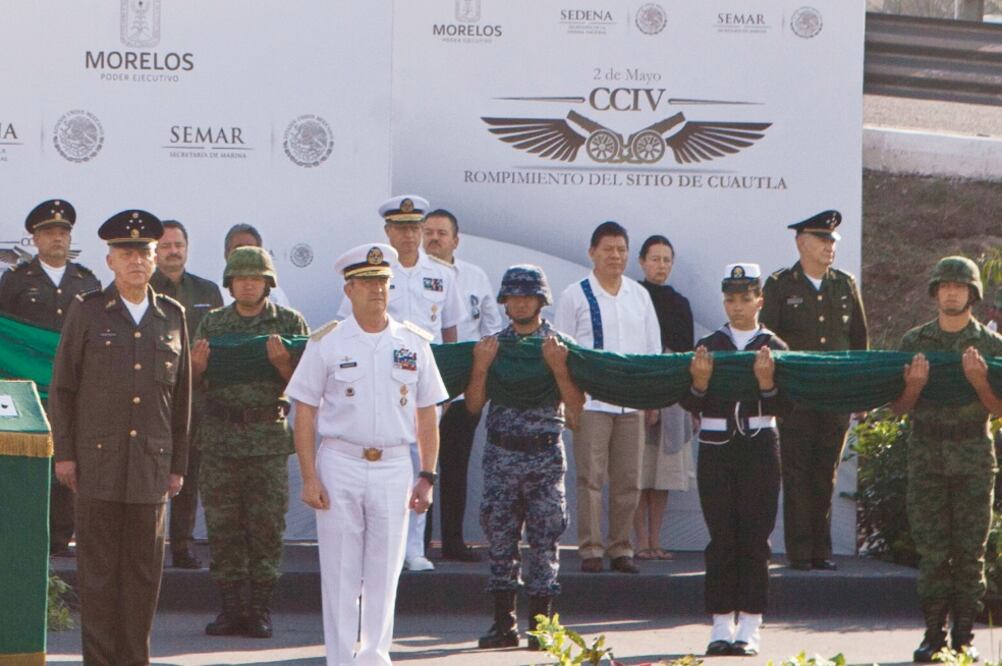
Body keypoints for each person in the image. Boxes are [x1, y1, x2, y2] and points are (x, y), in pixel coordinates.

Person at [287, 243, 448, 666]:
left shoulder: (413, 342)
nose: (377, 289)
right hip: (340, 462)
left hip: (394, 465)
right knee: (340, 572)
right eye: (367, 282)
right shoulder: (327, 341)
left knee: (385, 571)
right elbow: (304, 411)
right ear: (349, 289)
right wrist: (309, 476)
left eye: (383, 282)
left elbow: (427, 413)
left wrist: (427, 474)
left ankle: (375, 657)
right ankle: (342, 660)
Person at [49, 209, 190, 665]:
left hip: (151, 466)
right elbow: (63, 388)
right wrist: (65, 455)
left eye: (144, 253)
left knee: (143, 578)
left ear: (154, 259)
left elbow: (182, 398)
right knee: (98, 577)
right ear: (110, 260)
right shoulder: (87, 311)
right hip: (98, 464)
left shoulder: (172, 316)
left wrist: (177, 465)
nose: (136, 261)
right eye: (126, 253)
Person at [338, 195, 463, 572]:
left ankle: (413, 549)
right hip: (378, 383)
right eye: (400, 228)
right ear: (387, 231)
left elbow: (450, 333)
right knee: (378, 464)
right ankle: (377, 546)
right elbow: (346, 325)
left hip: (422, 384)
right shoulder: (372, 274)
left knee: (421, 464)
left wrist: (447, 388)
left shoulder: (443, 274)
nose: (408, 236)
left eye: (414, 228)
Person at [191, 246, 309, 638]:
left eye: (255, 278)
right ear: (229, 283)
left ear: (268, 282)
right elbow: (190, 387)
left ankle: (259, 610)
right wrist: (196, 369)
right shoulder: (213, 323)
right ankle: (231, 609)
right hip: (220, 440)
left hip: (266, 442)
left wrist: (283, 365)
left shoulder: (289, 322)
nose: (247, 285)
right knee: (223, 528)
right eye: (240, 278)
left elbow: (310, 386)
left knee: (266, 528)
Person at [890, 256, 1002, 663]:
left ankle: (965, 637)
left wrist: (979, 382)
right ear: (935, 292)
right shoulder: (915, 342)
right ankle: (934, 634)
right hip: (927, 457)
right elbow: (897, 408)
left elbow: (998, 408)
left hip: (973, 457)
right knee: (933, 553)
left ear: (973, 293)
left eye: (959, 286)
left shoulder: (991, 346)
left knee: (970, 553)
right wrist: (914, 387)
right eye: (945, 286)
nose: (951, 293)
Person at [468, 265, 583, 651]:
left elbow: (577, 411)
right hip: (502, 455)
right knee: (501, 542)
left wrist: (559, 369)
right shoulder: (492, 347)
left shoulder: (559, 346)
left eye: (527, 296)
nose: (520, 303)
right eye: (513, 296)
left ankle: (541, 628)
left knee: (544, 541)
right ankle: (503, 625)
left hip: (544, 457)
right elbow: (473, 405)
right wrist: (480, 368)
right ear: (504, 301)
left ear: (540, 300)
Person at [680, 263, 790, 657]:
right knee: (722, 537)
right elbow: (688, 402)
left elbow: (788, 406)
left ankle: (750, 625)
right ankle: (720, 623)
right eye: (730, 299)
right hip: (716, 447)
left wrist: (767, 384)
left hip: (759, 447)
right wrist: (699, 383)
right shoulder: (709, 344)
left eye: (745, 298)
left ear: (759, 301)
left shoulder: (775, 346)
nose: (737, 306)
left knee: (755, 537)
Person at [761, 210, 868, 571]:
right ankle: (800, 552)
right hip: (796, 397)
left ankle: (821, 551)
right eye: (822, 240)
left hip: (835, 395)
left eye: (832, 241)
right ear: (801, 243)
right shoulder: (780, 285)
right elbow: (766, 340)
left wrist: (859, 394)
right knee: (796, 472)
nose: (829, 247)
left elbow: (858, 341)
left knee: (826, 472)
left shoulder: (844, 284)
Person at [553, 221, 661, 574]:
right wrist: (569, 400)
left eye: (621, 250)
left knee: (628, 481)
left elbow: (652, 351)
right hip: (591, 404)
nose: (615, 256)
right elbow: (561, 353)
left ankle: (621, 547)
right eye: (608, 249)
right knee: (590, 479)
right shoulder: (575, 295)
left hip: (631, 403)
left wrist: (651, 398)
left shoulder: (639, 296)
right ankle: (591, 549)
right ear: (592, 252)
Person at [0, 198, 101, 558]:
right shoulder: (15, 281)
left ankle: (61, 537)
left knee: (67, 458)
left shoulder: (87, 282)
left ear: (70, 238)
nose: (57, 238)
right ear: (35, 239)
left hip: (73, 389)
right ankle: (25, 533)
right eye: (49, 233)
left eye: (62, 232)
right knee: (30, 460)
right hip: (27, 392)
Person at [422, 208, 503, 561]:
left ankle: (453, 541)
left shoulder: (475, 276)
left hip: (464, 389)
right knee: (420, 468)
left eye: (441, 233)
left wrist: (479, 380)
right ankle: (418, 544)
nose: (434, 238)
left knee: (456, 467)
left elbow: (491, 330)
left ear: (456, 240)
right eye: (428, 232)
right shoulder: (410, 276)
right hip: (420, 392)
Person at [151, 219, 225, 570]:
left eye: (178, 245)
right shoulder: (140, 288)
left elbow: (220, 342)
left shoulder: (207, 291)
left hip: (196, 401)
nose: (173, 251)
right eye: (165, 246)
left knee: (187, 474)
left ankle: (182, 545)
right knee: (148, 475)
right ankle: (147, 545)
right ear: (154, 251)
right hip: (152, 399)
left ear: (187, 248)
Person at [633, 235, 695, 561]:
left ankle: (656, 539)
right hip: (640, 388)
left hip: (672, 395)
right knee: (638, 472)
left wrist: (692, 406)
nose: (661, 265)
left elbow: (689, 359)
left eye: (666, 260)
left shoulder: (680, 303)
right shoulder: (631, 297)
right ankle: (640, 540)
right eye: (655, 259)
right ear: (642, 262)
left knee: (662, 475)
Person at [221, 223, 293, 309]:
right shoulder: (215, 293)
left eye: (250, 249)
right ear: (226, 255)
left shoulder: (276, 294)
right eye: (239, 249)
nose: (245, 254)